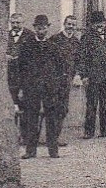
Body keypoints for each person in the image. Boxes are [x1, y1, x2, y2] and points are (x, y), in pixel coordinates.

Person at [14, 14, 68, 159]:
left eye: (43, 28)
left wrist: (57, 86)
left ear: (48, 28)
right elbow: (21, 68)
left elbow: (60, 68)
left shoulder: (53, 47)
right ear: (34, 28)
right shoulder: (27, 46)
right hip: (31, 88)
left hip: (50, 89)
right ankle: (30, 150)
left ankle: (53, 150)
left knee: (51, 119)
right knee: (31, 119)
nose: (41, 31)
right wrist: (21, 88)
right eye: (38, 28)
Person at [75, 11, 106, 138]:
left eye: (102, 23)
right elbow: (82, 57)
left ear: (105, 23)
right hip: (93, 76)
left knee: (105, 104)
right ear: (92, 25)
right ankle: (89, 131)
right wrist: (84, 76)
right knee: (92, 104)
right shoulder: (87, 37)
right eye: (96, 24)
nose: (100, 26)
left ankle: (105, 130)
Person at [56, 13, 83, 146]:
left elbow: (79, 61)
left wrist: (78, 74)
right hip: (55, 79)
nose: (70, 27)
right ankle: (52, 137)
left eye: (73, 25)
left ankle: (57, 136)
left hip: (68, 79)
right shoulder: (55, 39)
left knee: (63, 108)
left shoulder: (76, 42)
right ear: (64, 24)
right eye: (68, 24)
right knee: (54, 107)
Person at [6, 11, 28, 93]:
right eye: (12, 23)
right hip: (9, 73)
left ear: (23, 23)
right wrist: (5, 55)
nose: (15, 25)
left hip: (23, 73)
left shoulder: (30, 36)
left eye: (18, 23)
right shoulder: (5, 36)